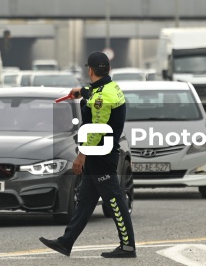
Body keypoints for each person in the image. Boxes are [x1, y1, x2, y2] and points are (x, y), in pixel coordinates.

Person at [39, 52, 137, 259]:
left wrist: (82, 154)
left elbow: (97, 128)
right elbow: (97, 93)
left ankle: (128, 246)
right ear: (108, 69)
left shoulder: (101, 96)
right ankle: (66, 242)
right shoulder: (111, 88)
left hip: (100, 155)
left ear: (90, 70)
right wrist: (82, 92)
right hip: (101, 153)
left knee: (115, 201)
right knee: (84, 202)